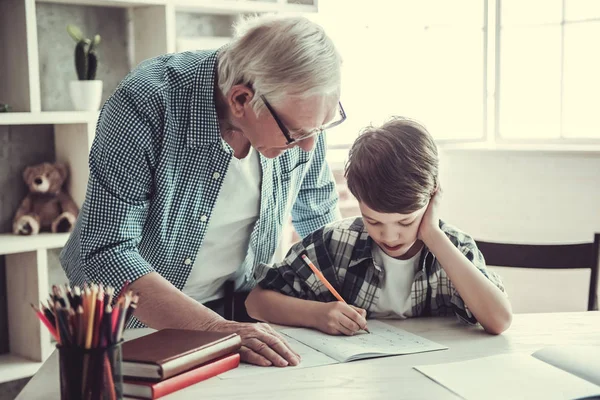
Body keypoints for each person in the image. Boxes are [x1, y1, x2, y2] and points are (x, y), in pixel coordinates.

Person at [60, 14, 346, 368]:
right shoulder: (146, 103)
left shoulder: (297, 113)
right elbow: (106, 251)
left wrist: (346, 292)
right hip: (128, 323)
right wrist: (218, 329)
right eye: (297, 134)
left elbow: (318, 213)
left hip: (237, 317)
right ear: (241, 100)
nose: (309, 147)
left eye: (320, 127)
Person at [245, 117, 512, 336]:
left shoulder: (454, 248)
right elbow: (256, 302)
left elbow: (499, 320)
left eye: (405, 221)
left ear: (432, 197)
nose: (389, 235)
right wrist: (317, 315)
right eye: (373, 220)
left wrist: (433, 234)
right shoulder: (335, 244)